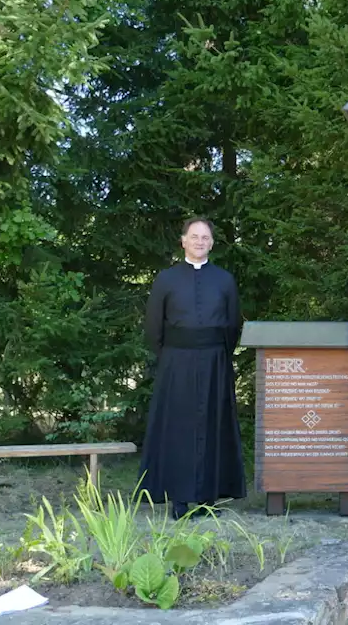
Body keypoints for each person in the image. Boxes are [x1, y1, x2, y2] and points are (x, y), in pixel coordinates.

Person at [141, 218, 245, 519]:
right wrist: (173, 357)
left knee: (212, 426)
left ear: (212, 243)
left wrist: (218, 354)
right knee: (179, 428)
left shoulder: (224, 280)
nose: (200, 241)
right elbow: (153, 327)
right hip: (177, 362)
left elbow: (232, 324)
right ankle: (180, 499)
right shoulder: (166, 279)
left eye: (206, 237)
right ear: (183, 240)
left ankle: (207, 498)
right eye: (194, 236)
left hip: (215, 361)